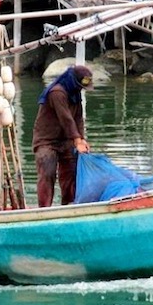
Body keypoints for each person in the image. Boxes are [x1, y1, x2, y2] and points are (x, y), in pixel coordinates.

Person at [32, 65, 94, 207]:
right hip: (46, 141)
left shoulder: (75, 93)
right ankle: (44, 210)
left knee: (71, 174)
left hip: (66, 139)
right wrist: (77, 140)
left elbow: (78, 118)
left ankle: (68, 205)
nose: (80, 89)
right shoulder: (57, 93)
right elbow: (66, 119)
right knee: (47, 173)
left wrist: (82, 139)